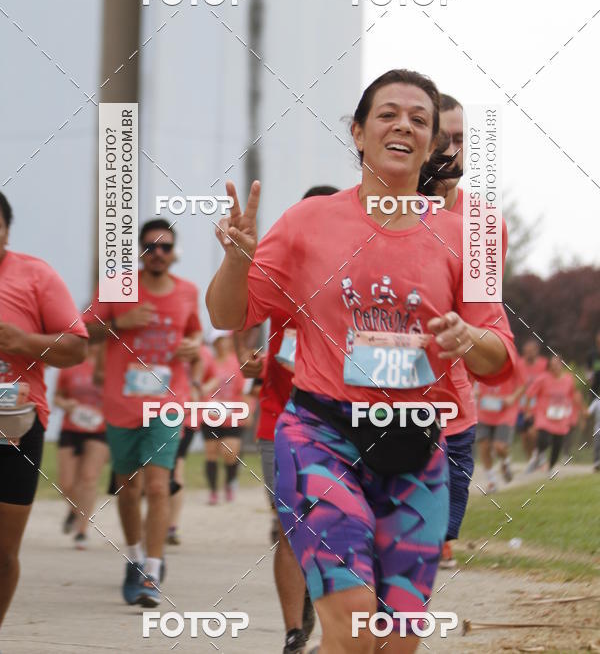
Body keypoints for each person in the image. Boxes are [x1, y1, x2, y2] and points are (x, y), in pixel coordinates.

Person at [206, 69, 517, 654]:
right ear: (357, 132)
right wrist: (236, 262)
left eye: (419, 119)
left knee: (395, 640)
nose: (404, 125)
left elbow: (499, 356)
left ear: (432, 145)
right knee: (350, 622)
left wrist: (465, 336)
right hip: (323, 434)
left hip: (417, 446)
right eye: (388, 113)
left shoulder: (464, 239)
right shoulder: (307, 223)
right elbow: (229, 314)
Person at [235, 185, 338, 654]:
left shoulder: (360, 277)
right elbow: (239, 319)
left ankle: (332, 615)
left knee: (335, 524)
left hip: (344, 422)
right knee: (289, 525)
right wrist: (256, 358)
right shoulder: (278, 272)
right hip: (279, 416)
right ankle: (295, 634)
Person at [83, 218, 202, 607]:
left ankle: (152, 569)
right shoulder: (118, 287)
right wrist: (119, 323)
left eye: (165, 247)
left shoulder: (187, 292)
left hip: (167, 403)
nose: (158, 254)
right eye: (150, 247)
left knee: (157, 485)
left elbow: (195, 333)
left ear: (174, 253)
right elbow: (82, 330)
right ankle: (134, 558)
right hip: (122, 403)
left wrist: (192, 346)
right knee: (127, 488)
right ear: (140, 251)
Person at [0, 192, 87, 629]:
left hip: (13, 427)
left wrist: (23, 343)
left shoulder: (35, 275)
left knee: (3, 553)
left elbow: (76, 348)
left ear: (7, 230)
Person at [435, 94, 508, 566]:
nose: (450, 151)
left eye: (460, 140)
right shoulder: (374, 212)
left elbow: (485, 324)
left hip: (454, 413)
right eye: (441, 139)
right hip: (375, 410)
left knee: (434, 546)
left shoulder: (483, 226)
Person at [54, 339, 109, 548]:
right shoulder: (71, 364)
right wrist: (66, 404)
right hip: (71, 427)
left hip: (100, 430)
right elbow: (57, 397)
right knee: (66, 483)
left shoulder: (111, 366)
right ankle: (74, 509)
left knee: (88, 477)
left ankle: (82, 529)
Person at [166, 344, 208, 545]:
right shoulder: (156, 342)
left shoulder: (198, 350)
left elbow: (210, 376)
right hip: (157, 413)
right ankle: (159, 521)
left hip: (187, 418)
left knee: (176, 469)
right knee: (158, 472)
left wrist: (196, 386)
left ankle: (171, 525)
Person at [201, 329, 246, 504]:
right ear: (214, 343)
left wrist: (247, 408)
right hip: (210, 414)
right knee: (211, 453)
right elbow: (201, 386)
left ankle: (229, 483)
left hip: (232, 413)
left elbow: (244, 390)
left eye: (225, 340)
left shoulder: (236, 362)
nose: (222, 343)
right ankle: (213, 491)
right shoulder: (208, 362)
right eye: (218, 340)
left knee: (230, 452)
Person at [474, 357, 527, 492]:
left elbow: (523, 385)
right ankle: (492, 481)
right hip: (484, 409)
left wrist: (513, 398)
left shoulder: (514, 362)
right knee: (484, 445)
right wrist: (472, 390)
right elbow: (470, 377)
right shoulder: (480, 357)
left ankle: (505, 462)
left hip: (505, 411)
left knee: (499, 447)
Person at [525, 356, 577, 473]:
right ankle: (538, 455)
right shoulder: (543, 379)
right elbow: (529, 394)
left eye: (556, 366)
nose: (554, 369)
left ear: (561, 365)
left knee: (557, 444)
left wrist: (571, 412)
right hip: (544, 415)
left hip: (560, 416)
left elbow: (571, 396)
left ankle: (550, 468)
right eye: (552, 367)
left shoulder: (568, 379)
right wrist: (528, 411)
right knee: (544, 439)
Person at [516, 339, 547, 459]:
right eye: (526, 352)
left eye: (531, 351)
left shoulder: (544, 364)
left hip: (538, 406)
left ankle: (538, 454)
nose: (528, 354)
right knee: (524, 436)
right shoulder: (519, 364)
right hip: (521, 406)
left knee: (533, 432)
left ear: (536, 351)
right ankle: (530, 459)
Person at [587, 395, 600, 471]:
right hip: (598, 430)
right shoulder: (596, 402)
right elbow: (588, 413)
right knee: (597, 448)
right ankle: (596, 464)